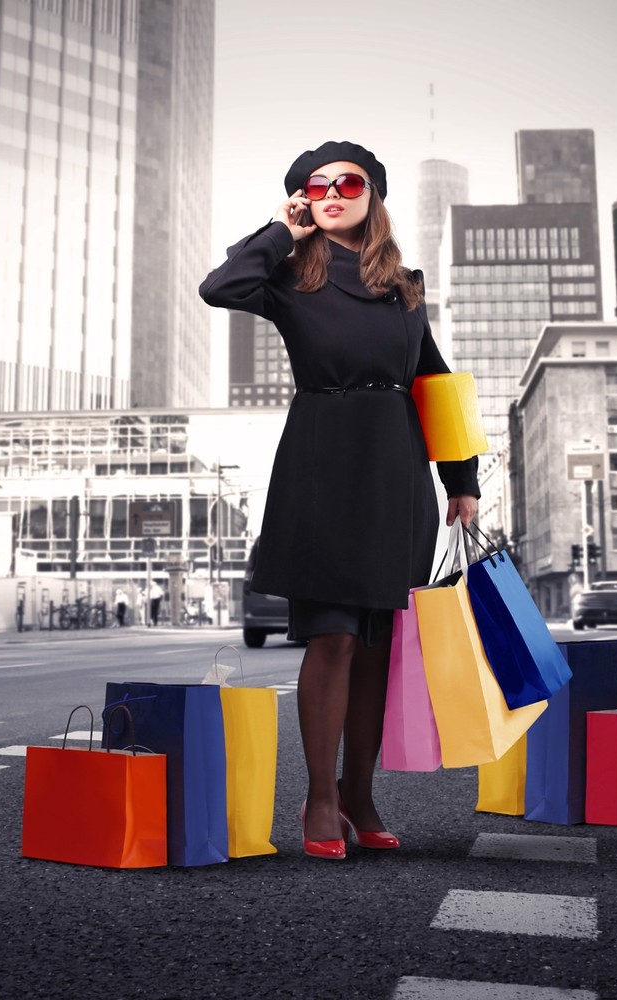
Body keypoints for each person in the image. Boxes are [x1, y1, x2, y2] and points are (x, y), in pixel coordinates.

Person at [199, 140, 480, 860]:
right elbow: (218, 287)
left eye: (345, 182)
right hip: (321, 458)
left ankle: (361, 792)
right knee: (332, 636)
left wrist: (462, 479)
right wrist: (280, 229)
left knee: (379, 645)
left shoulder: (406, 286)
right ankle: (320, 799)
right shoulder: (290, 273)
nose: (328, 191)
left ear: (372, 194)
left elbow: (433, 380)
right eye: (311, 186)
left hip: (396, 466)